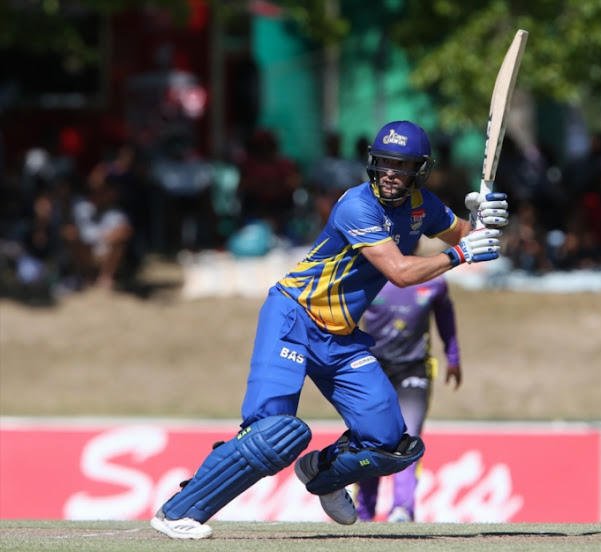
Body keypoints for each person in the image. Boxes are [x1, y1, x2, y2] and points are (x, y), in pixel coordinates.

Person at [149, 120, 510, 539]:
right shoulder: (356, 206)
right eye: (385, 163)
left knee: (390, 443)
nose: (391, 173)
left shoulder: (422, 205)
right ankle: (179, 512)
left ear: (419, 170)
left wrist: (486, 217)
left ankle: (322, 473)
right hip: (293, 316)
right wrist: (461, 253)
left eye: (402, 165)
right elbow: (400, 271)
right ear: (372, 164)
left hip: (339, 336)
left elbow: (469, 235)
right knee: (272, 433)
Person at [355, 274, 461, 523]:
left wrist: (453, 357)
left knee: (409, 437)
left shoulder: (434, 281)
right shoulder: (364, 276)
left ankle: (402, 510)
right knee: (370, 439)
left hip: (414, 370)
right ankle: (363, 513)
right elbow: (342, 319)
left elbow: (446, 318)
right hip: (373, 369)